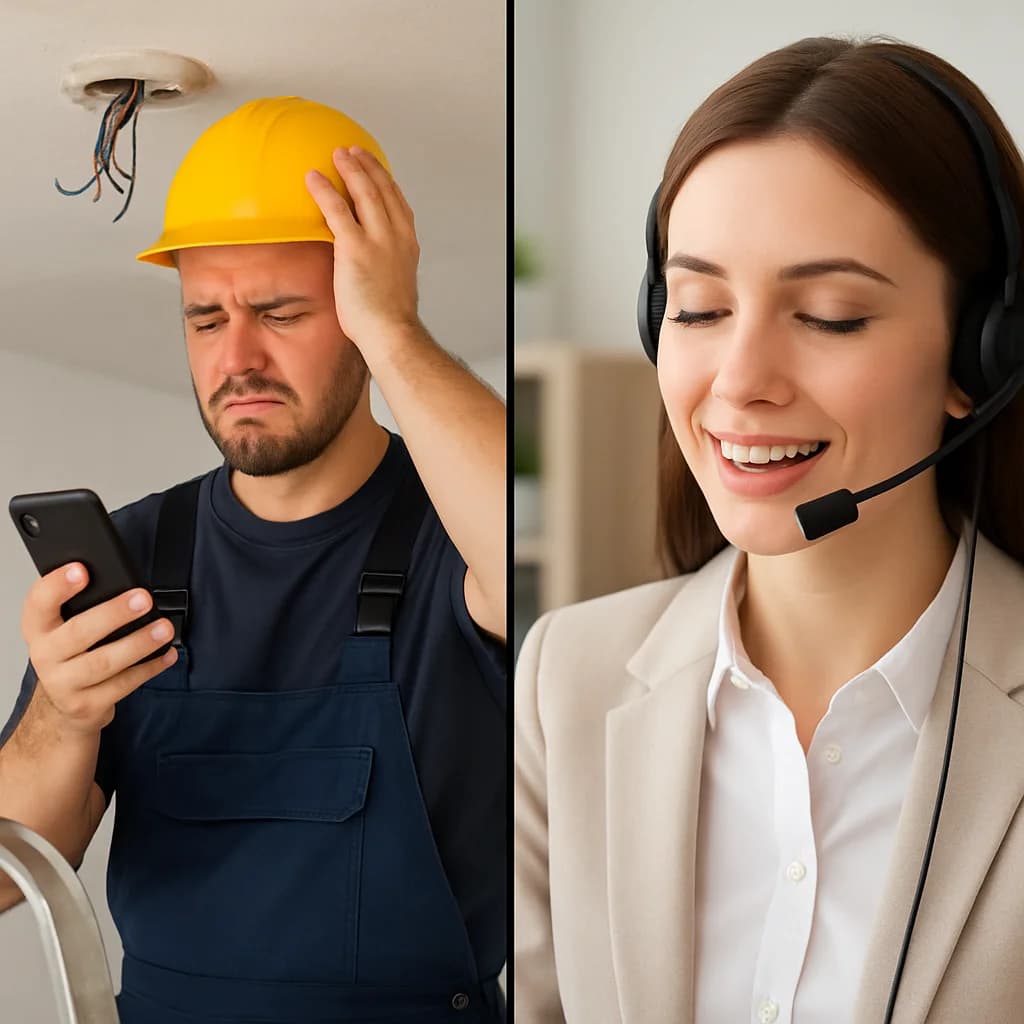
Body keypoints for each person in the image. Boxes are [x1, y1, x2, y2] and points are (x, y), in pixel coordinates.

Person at [514, 35, 1024, 1024]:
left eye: (831, 316)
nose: (739, 380)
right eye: (699, 308)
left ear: (983, 353)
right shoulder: (564, 678)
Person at [0, 97, 506, 1023]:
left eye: (279, 312)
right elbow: (3, 878)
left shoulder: (454, 536)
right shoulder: (134, 553)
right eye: (205, 319)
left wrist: (397, 330)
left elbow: (543, 573)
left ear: (359, 310)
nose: (238, 358)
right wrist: (62, 719)